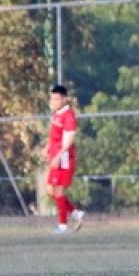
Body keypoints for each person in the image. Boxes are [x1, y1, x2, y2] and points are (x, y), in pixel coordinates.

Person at [46, 84, 84, 234]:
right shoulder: (57, 114)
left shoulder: (68, 116)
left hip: (63, 158)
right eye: (52, 99)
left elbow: (68, 140)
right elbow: (55, 135)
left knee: (58, 191)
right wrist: (47, 147)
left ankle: (62, 225)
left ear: (64, 99)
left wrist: (58, 156)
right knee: (50, 190)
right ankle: (75, 213)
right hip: (55, 155)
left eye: (56, 99)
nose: (53, 102)